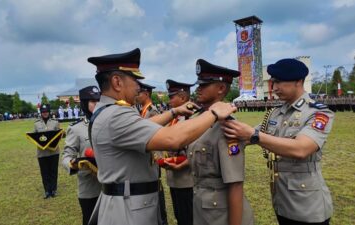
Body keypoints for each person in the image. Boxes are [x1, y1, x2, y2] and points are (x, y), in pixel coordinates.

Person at [87, 48, 236, 225]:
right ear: (117, 82)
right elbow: (173, 139)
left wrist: (173, 112)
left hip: (127, 203)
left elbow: (143, 127)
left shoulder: (106, 111)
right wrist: (213, 112)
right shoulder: (116, 115)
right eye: (135, 80)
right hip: (128, 211)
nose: (138, 87)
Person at [222, 58, 334, 225]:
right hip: (282, 200)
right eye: (273, 82)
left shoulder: (318, 113)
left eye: (279, 82)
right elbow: (246, 136)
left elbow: (301, 149)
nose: (274, 88)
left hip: (308, 205)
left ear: (298, 81)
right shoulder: (276, 113)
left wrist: (253, 135)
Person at [188, 59, 254, 225]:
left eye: (204, 85)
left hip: (220, 214)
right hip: (203, 208)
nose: (198, 89)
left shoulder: (227, 127)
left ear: (221, 88)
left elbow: (235, 184)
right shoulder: (200, 120)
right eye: (199, 84)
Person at [62, 86, 101, 225]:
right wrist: (74, 164)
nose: (97, 104)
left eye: (99, 100)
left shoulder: (108, 124)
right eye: (93, 101)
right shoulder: (76, 129)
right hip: (90, 188)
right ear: (84, 103)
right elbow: (67, 156)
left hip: (112, 187)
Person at [161, 79, 194, 225]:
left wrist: (183, 164)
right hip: (175, 178)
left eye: (171, 96)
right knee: (181, 217)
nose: (169, 100)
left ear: (182, 97)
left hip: (188, 180)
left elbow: (198, 150)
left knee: (189, 219)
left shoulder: (193, 117)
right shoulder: (175, 117)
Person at [135, 81, 168, 225]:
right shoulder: (142, 111)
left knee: (156, 189)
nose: (137, 96)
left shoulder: (152, 111)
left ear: (146, 94)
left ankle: (162, 219)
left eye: (139, 93)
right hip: (147, 157)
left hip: (154, 157)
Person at [34, 104, 61, 199]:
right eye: (43, 112)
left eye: (46, 111)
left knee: (53, 171)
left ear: (49, 112)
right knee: (44, 172)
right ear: (41, 113)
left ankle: (54, 190)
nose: (45, 113)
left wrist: (63, 133)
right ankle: (47, 191)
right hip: (42, 153)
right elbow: (34, 137)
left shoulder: (55, 122)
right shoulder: (36, 124)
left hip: (54, 151)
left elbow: (60, 134)